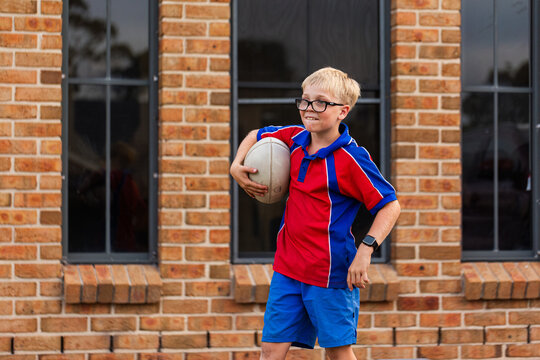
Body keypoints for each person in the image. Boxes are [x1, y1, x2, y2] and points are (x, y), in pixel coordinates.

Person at [230, 67, 401, 360]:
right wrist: (236, 164)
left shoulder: (352, 159)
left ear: (342, 111)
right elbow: (255, 134)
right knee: (270, 350)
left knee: (337, 353)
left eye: (321, 102)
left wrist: (366, 250)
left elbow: (390, 205)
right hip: (287, 268)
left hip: (330, 273)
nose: (309, 109)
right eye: (305, 100)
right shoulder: (294, 139)